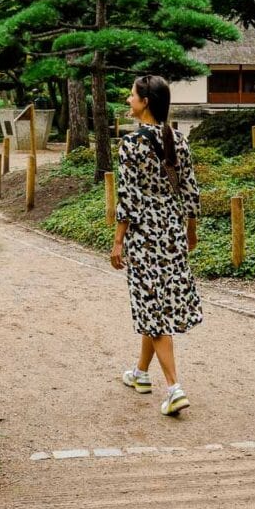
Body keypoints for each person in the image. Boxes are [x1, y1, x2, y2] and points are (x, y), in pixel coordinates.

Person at [110, 75, 202, 416]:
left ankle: (175, 388)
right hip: (172, 231)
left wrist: (118, 241)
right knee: (157, 302)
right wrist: (190, 230)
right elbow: (191, 189)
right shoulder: (178, 139)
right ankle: (140, 373)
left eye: (133, 95)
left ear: (146, 101)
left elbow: (128, 198)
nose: (129, 99)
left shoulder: (131, 144)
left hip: (145, 235)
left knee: (153, 308)